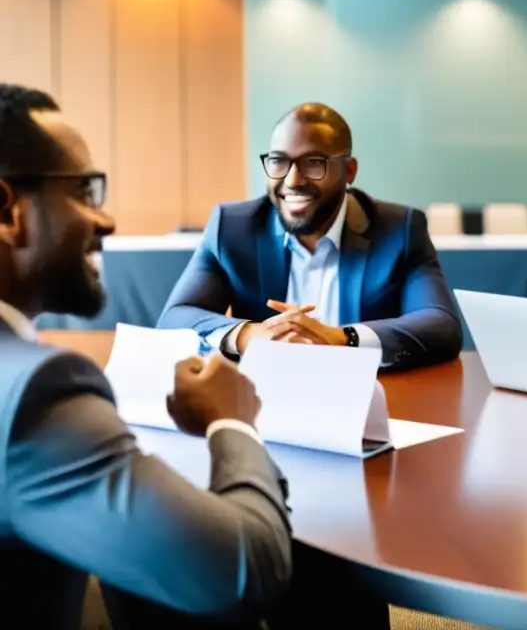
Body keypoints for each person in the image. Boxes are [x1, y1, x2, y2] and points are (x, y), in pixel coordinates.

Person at [0, 85, 291, 628]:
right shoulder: (37, 393)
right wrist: (234, 421)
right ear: (7, 210)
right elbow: (246, 571)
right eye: (85, 191)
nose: (105, 219)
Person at [158, 102, 462, 371]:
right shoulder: (233, 227)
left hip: (370, 404)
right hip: (263, 404)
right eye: (278, 162)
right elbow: (174, 319)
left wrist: (342, 338)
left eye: (313, 163)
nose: (292, 181)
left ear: (349, 172)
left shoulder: (400, 230)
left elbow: (442, 326)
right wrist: (249, 335)